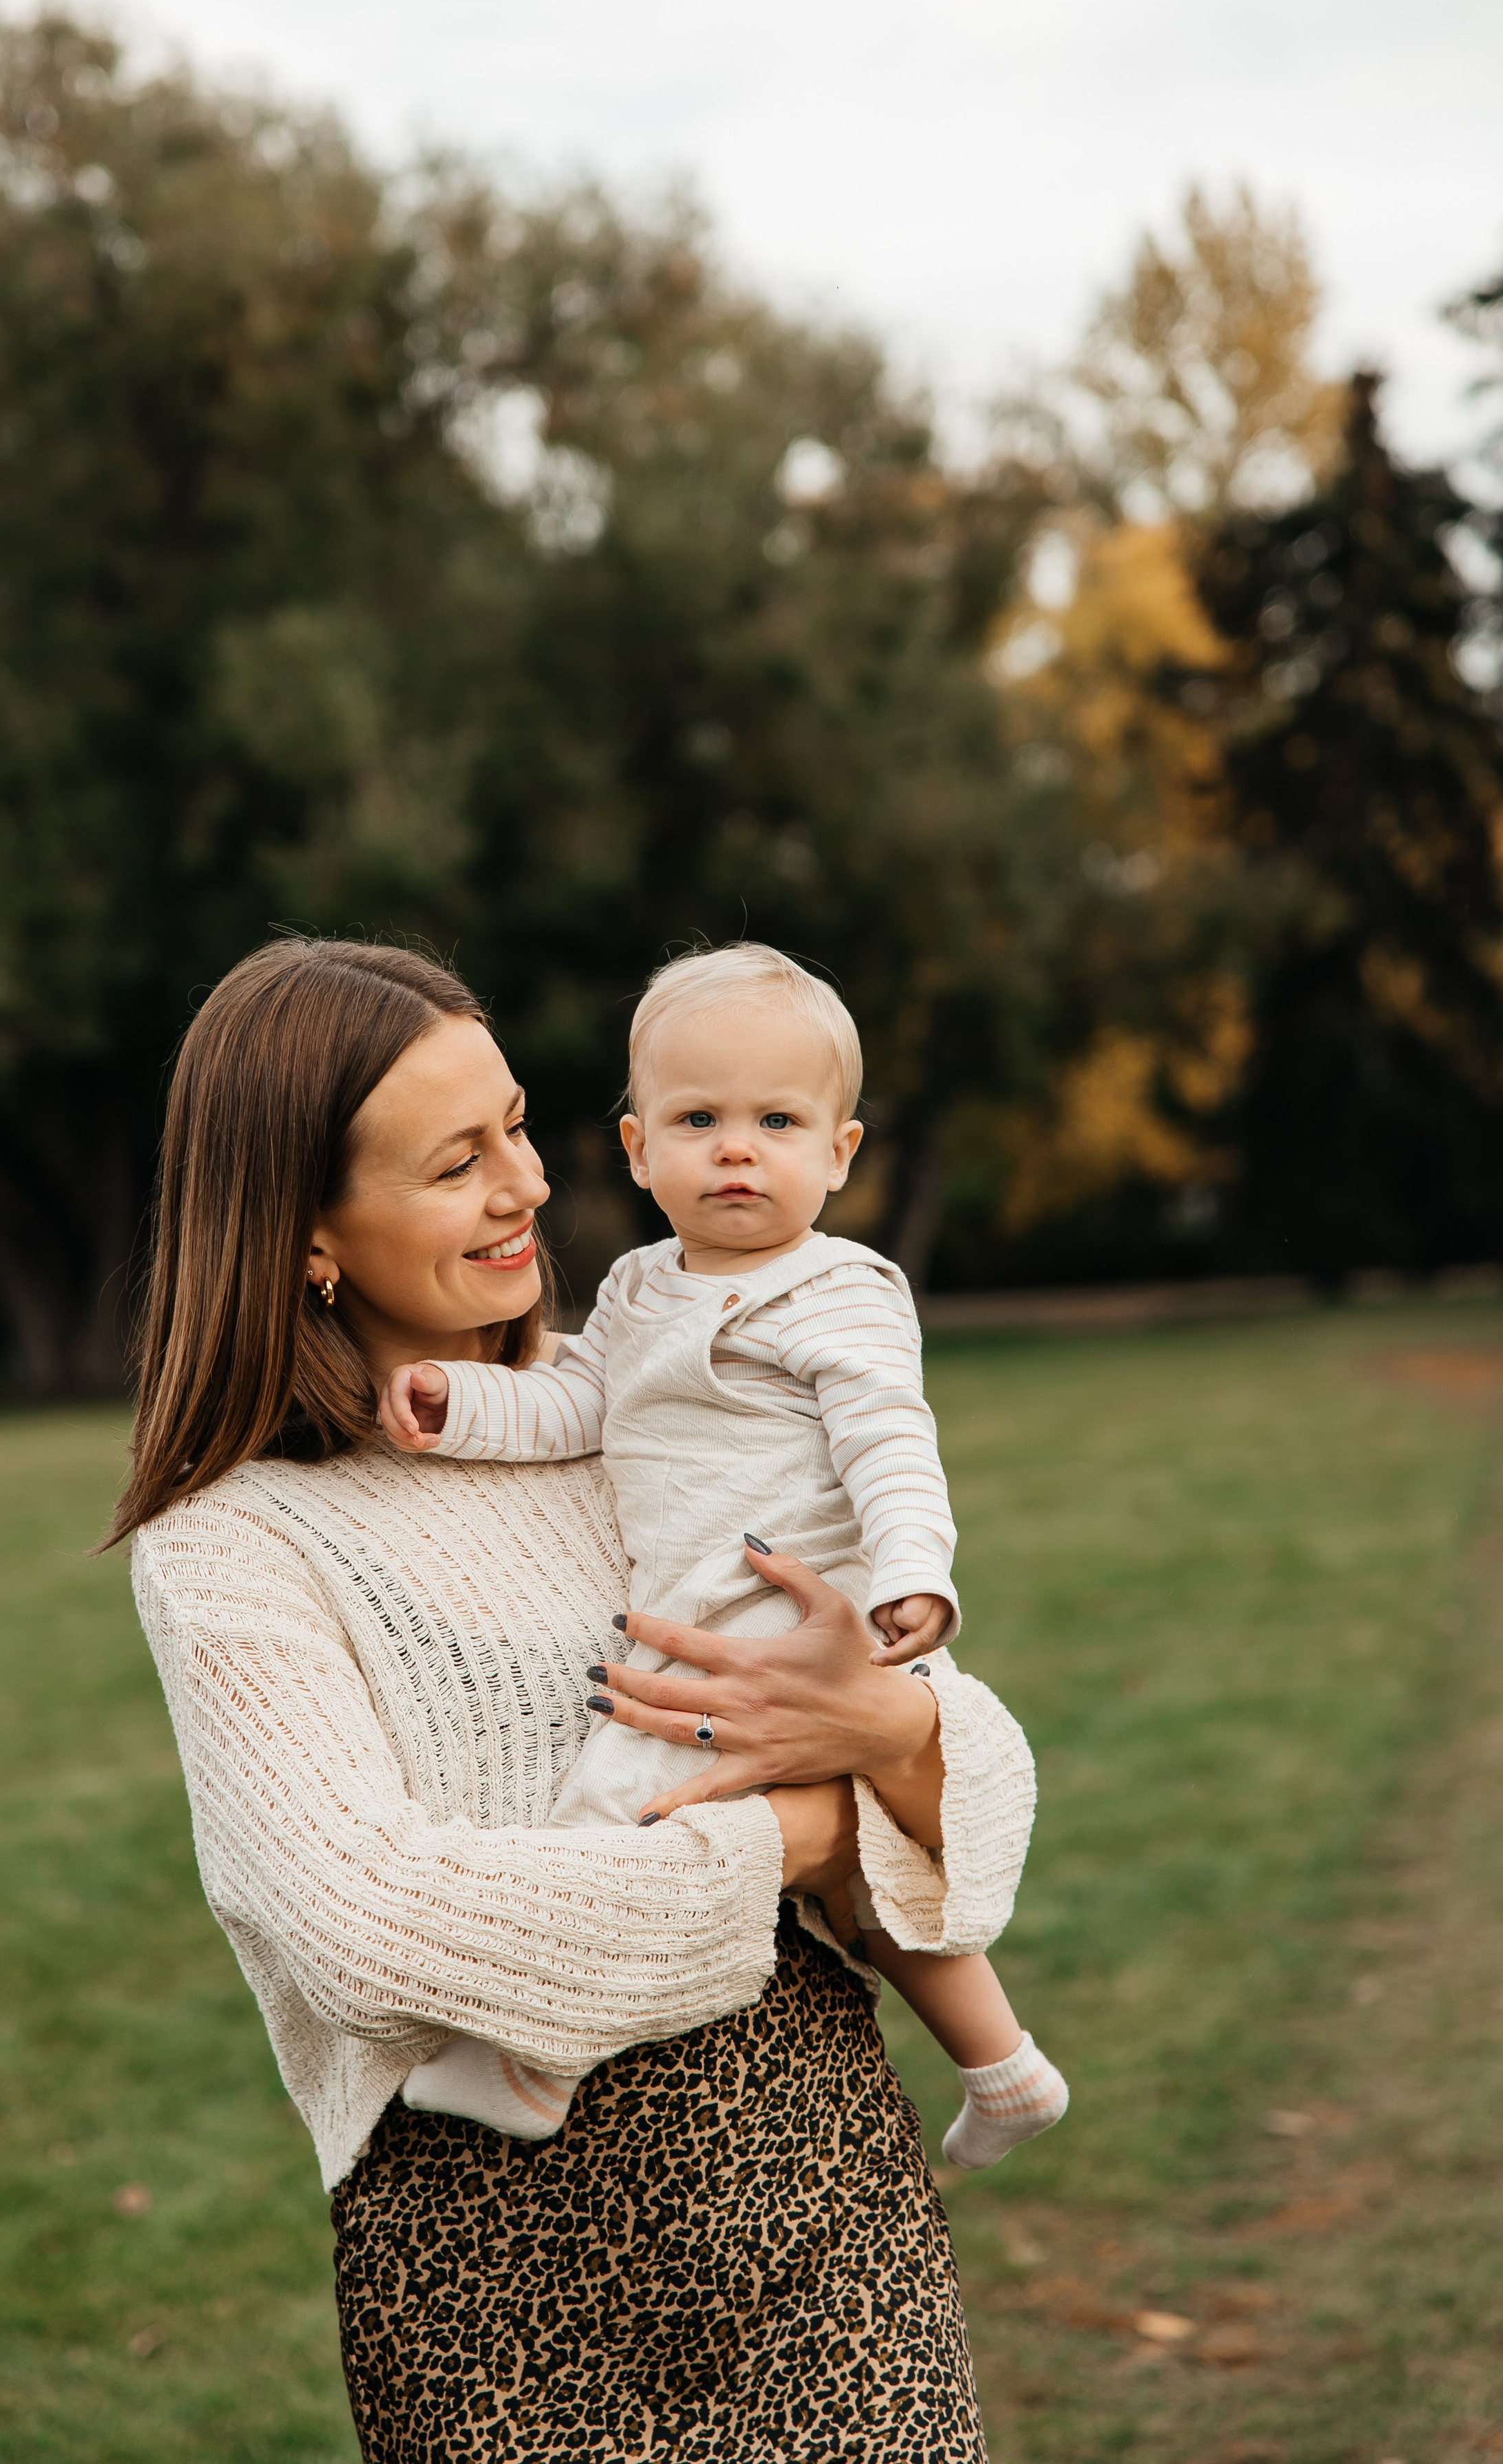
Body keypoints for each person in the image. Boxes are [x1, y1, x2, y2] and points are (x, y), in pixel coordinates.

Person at [109, 934, 1039, 2464]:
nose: (528, 1186)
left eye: (520, 1126)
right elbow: (371, 1928)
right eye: (455, 1161)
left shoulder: (643, 1409)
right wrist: (798, 1841)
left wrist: (886, 1733)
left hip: (818, 2201)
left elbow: (978, 1776)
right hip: (504, 2282)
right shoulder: (235, 1545)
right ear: (309, 1234)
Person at [384, 941, 1067, 2169]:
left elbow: (890, 1441)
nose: (738, 1149)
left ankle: (540, 2059)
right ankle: (1005, 2067)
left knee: (616, 1800)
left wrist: (917, 1571)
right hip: (700, 1599)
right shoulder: (643, 1291)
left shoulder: (838, 1291)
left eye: (777, 1121)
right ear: (640, 1151)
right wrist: (460, 1406)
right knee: (864, 1882)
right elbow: (576, 1403)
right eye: (699, 1119)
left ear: (840, 1154)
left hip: (782, 1614)